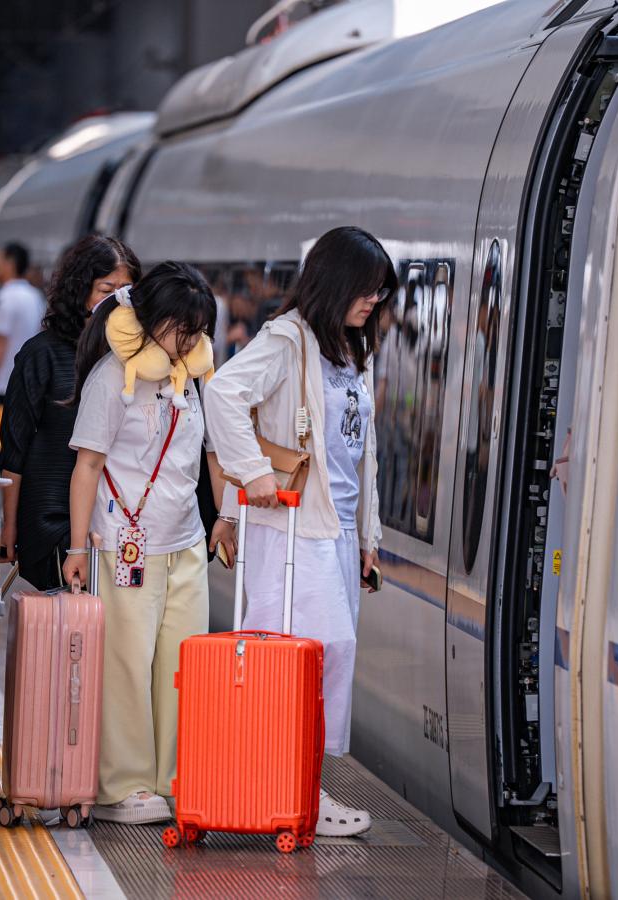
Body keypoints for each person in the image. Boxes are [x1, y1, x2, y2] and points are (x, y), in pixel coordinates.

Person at [203, 225, 394, 837]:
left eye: (380, 294)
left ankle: (297, 786)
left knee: (320, 657)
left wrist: (369, 538)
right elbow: (225, 392)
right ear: (335, 282)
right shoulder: (289, 340)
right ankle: (290, 786)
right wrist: (253, 476)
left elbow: (363, 452)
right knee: (313, 651)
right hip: (290, 527)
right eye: (367, 290)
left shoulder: (349, 349)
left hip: (334, 530)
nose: (375, 303)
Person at [63, 261, 233, 824]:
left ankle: (175, 776)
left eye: (198, 331)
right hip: (122, 541)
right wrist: (75, 548)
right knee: (128, 664)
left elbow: (213, 453)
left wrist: (225, 516)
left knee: (182, 664)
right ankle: (124, 785)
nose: (190, 342)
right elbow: (86, 465)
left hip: (183, 540)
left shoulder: (197, 377)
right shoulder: (112, 378)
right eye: (180, 329)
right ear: (149, 322)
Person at [0, 235, 139, 591]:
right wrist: (9, 526)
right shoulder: (41, 354)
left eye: (127, 290)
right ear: (79, 291)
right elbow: (15, 448)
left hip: (118, 521)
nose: (118, 301)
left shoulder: (140, 361)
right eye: (106, 289)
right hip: (51, 518)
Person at [0, 242, 44, 404]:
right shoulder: (35, 296)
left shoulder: (7, 297)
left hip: (2, 383)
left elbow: (1, 343)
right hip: (26, 381)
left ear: (9, 263)